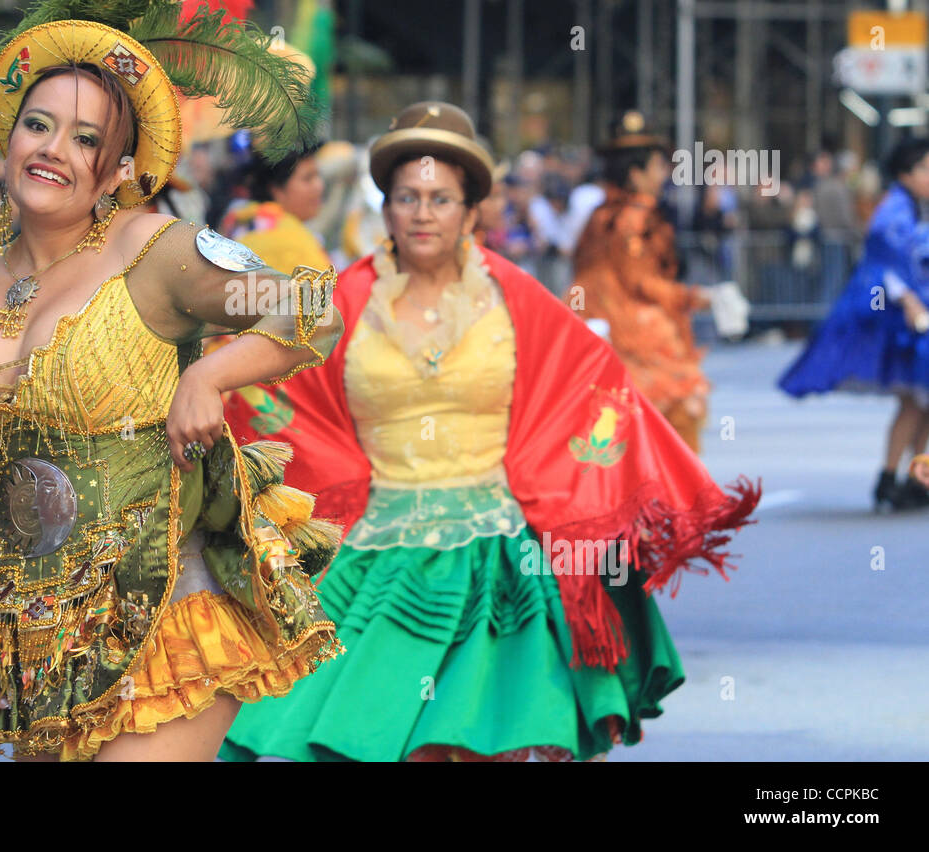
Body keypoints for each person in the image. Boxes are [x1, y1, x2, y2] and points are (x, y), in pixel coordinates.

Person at [0, 0, 344, 762]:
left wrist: (212, 373)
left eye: (87, 137)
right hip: (28, 639)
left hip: (169, 615)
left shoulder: (159, 252)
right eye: (39, 123)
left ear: (119, 166)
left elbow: (309, 309)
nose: (54, 149)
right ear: (10, 132)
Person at [220, 101, 759, 763]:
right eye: (407, 197)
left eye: (441, 199)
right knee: (372, 742)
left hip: (499, 559)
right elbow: (255, 387)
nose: (422, 213)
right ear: (386, 209)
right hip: (376, 557)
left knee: (486, 747)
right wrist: (195, 388)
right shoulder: (336, 301)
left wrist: (601, 515)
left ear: (472, 210)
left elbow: (595, 392)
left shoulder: (517, 297)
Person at [779, 137, 929, 511]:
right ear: (906, 173)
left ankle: (909, 477)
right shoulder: (895, 212)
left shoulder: (910, 207)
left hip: (911, 317)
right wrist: (909, 301)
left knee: (920, 401)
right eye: (926, 168)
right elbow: (885, 266)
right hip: (903, 320)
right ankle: (895, 478)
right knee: (914, 401)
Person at [569, 112, 713, 452]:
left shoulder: (600, 214)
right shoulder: (637, 217)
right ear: (636, 173)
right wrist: (694, 297)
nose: (663, 175)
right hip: (635, 330)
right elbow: (642, 282)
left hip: (593, 322)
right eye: (657, 166)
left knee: (613, 426)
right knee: (675, 414)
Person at [220, 146, 332, 273]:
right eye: (307, 178)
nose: (319, 186)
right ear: (277, 189)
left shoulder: (243, 221)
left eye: (318, 176)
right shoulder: (290, 240)